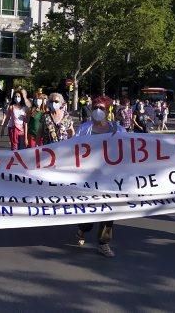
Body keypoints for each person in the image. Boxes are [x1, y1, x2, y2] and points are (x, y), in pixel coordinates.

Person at [74, 95, 126, 257]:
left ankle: (104, 243)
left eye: (101, 108)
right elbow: (73, 149)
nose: (98, 111)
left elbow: (128, 149)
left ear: (108, 110)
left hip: (110, 178)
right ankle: (83, 229)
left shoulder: (118, 130)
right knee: (89, 211)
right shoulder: (84, 129)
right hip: (89, 177)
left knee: (108, 210)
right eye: (95, 107)